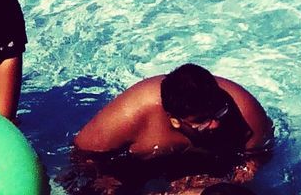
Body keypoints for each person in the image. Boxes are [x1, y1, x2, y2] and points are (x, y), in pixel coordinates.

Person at [68, 63, 273, 193]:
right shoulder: (131, 115)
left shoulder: (244, 112)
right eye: (202, 121)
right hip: (137, 166)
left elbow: (257, 154)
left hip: (210, 168)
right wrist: (107, 183)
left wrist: (235, 179)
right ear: (175, 121)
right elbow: (82, 157)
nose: (216, 124)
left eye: (219, 113)